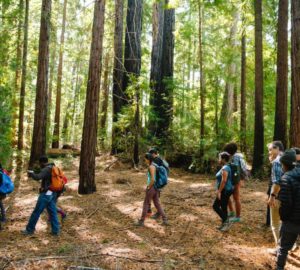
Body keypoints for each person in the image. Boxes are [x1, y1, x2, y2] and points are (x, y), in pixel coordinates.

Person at [22, 156, 60, 236]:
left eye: (40, 163)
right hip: (53, 193)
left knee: (36, 212)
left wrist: (31, 173)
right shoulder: (53, 167)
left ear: (42, 162)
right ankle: (55, 231)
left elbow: (38, 177)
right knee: (52, 212)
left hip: (46, 194)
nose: (39, 165)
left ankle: (29, 230)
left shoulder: (46, 169)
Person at [276, 149, 300, 270]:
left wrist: (283, 217)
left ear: (284, 164)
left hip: (291, 220)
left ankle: (279, 268)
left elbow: (286, 203)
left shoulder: (286, 178)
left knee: (283, 248)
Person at [136, 153, 168, 227]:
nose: (144, 161)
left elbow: (153, 179)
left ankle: (141, 221)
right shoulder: (154, 165)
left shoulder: (151, 167)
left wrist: (148, 187)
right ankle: (165, 219)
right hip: (156, 188)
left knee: (146, 203)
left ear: (148, 159)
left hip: (152, 187)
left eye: (145, 159)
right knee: (157, 203)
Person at [223, 143, 248, 223]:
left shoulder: (236, 158)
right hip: (232, 180)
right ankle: (232, 212)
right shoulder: (235, 156)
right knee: (226, 196)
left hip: (235, 180)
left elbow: (236, 170)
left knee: (236, 198)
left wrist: (238, 180)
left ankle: (237, 216)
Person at [267, 141, 284, 250]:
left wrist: (272, 196)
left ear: (277, 148)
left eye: (270, 149)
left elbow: (277, 182)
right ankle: (288, 244)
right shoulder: (289, 159)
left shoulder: (277, 161)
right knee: (284, 222)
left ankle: (279, 248)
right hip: (290, 196)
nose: (269, 152)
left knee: (275, 224)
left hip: (279, 196)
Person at [212, 152, 234, 231]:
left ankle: (226, 221)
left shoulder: (225, 168)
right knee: (224, 207)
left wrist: (219, 191)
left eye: (219, 158)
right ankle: (224, 226)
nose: (219, 159)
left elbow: (224, 181)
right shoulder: (226, 167)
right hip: (226, 190)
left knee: (215, 206)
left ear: (223, 159)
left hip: (224, 191)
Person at [147, 148, 169, 219]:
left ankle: (157, 213)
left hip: (157, 182)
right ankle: (156, 212)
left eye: (150, 154)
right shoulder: (161, 159)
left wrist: (151, 182)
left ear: (153, 154)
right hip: (161, 181)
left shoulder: (156, 160)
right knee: (156, 197)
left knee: (155, 198)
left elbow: (154, 172)